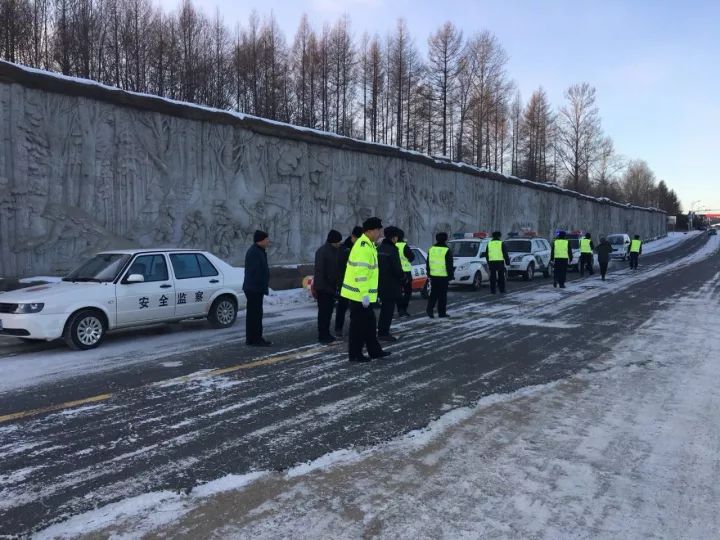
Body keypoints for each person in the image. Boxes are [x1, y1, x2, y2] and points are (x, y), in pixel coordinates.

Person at [340, 217, 390, 362]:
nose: (380, 233)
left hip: (362, 295)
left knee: (369, 324)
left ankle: (374, 351)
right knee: (358, 327)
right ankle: (355, 355)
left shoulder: (368, 245)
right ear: (370, 231)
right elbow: (360, 275)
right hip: (359, 295)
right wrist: (364, 295)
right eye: (378, 230)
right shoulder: (363, 247)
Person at [243, 230, 271, 346]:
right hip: (254, 288)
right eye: (266, 239)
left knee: (252, 315)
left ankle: (251, 338)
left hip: (253, 287)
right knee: (256, 315)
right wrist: (261, 284)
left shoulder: (257, 251)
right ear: (261, 240)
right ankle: (256, 339)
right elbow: (255, 272)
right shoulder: (255, 252)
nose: (268, 241)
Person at [313, 229, 342, 344]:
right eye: (338, 241)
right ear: (333, 241)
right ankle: (322, 335)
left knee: (328, 312)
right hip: (324, 288)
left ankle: (326, 333)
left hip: (330, 288)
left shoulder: (334, 250)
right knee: (324, 313)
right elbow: (319, 272)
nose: (340, 243)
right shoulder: (323, 252)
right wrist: (321, 288)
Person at [377, 226, 404, 341]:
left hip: (379, 283)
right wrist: (403, 277)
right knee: (388, 309)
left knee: (384, 308)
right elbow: (396, 268)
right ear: (394, 237)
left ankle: (381, 330)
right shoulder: (392, 250)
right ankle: (384, 332)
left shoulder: (379, 248)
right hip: (391, 284)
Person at [334, 226, 362, 338]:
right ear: (353, 236)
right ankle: (338, 328)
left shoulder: (359, 247)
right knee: (342, 306)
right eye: (358, 238)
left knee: (355, 307)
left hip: (356, 283)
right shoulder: (344, 249)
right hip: (344, 282)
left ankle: (354, 328)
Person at [426, 232, 455, 318]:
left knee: (433, 294)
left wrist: (429, 273)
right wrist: (451, 276)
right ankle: (441, 313)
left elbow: (428, 263)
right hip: (443, 276)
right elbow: (449, 264)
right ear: (445, 239)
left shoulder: (431, 249)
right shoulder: (446, 250)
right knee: (442, 296)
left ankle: (429, 310)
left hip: (433, 276)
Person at [395, 229, 416, 317]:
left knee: (398, 292)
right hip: (406, 272)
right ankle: (404, 309)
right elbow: (412, 257)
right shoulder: (404, 246)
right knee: (407, 292)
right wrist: (407, 261)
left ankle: (400, 309)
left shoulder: (393, 245)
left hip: (396, 272)